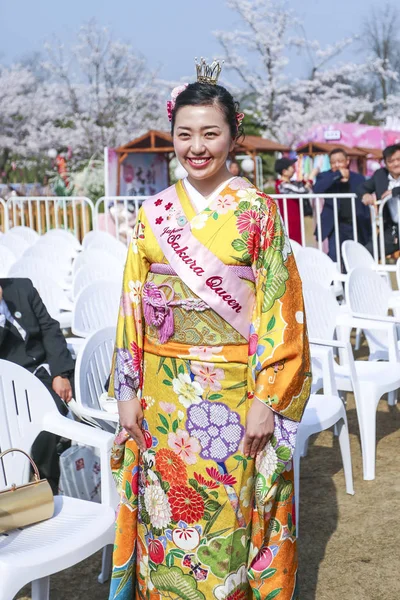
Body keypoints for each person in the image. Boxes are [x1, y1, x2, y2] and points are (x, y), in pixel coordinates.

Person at [108, 60, 311, 600]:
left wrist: (268, 398)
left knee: (226, 512)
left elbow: (280, 311)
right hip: (161, 394)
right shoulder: (154, 214)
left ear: (234, 135)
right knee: (165, 511)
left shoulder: (258, 213)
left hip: (232, 395)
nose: (197, 147)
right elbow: (131, 305)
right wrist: (127, 393)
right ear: (172, 135)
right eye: (185, 134)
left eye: (210, 134)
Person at [0, 278, 74, 492]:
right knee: (44, 422)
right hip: (9, 383)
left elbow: (49, 328)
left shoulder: (23, 287)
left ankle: (76, 475)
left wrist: (61, 373)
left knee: (77, 410)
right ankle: (45, 486)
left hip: (43, 371)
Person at [313, 148, 371, 261]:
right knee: (335, 257)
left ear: (347, 161)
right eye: (333, 162)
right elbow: (317, 189)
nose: (337, 164)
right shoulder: (326, 176)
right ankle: (337, 279)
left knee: (355, 257)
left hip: (356, 224)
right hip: (336, 225)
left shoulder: (358, 178)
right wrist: (338, 175)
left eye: (340, 161)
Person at [358, 143, 400, 256]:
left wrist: (395, 191)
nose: (396, 164)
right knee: (367, 253)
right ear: (385, 163)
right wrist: (365, 195)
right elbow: (362, 187)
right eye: (391, 161)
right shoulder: (380, 175)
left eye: (399, 159)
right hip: (393, 229)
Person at [274, 157, 319, 244]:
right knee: (294, 244)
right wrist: (311, 177)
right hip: (290, 220)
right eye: (291, 166)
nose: (293, 168)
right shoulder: (282, 185)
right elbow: (302, 191)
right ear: (284, 171)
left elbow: (300, 186)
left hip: (296, 218)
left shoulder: (290, 183)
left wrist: (305, 181)